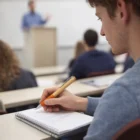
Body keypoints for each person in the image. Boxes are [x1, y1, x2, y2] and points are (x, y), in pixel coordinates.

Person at [40, 0, 140, 139]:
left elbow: (123, 100)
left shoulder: (124, 92)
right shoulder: (125, 97)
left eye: (100, 18)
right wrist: (80, 102)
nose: (102, 32)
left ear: (121, 10)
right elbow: (123, 105)